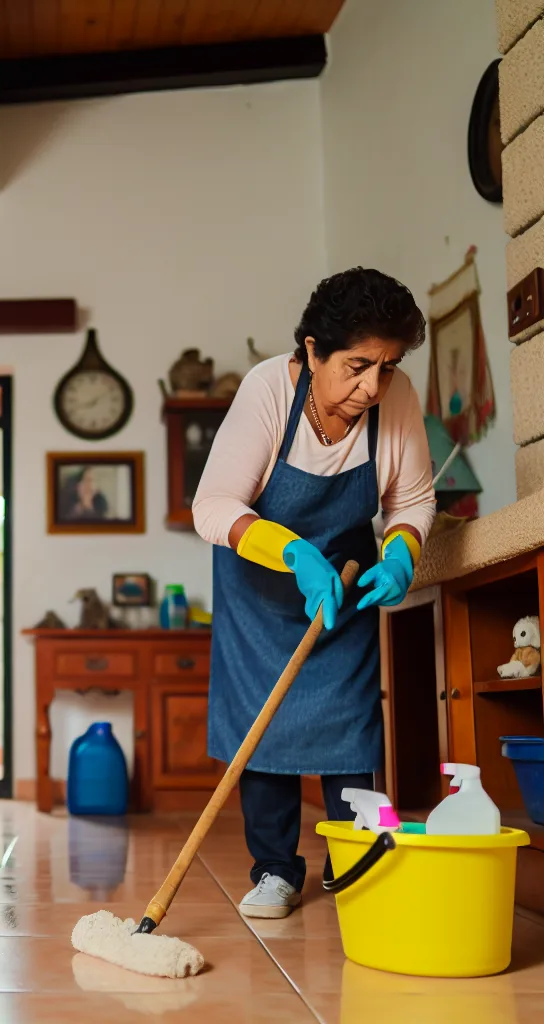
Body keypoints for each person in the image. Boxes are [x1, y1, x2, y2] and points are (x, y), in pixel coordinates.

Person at [192, 268, 435, 919]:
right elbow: (212, 506)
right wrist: (294, 552)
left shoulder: (397, 398)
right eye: (357, 366)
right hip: (259, 598)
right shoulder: (268, 390)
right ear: (311, 350)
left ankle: (360, 863)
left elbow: (410, 499)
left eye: (387, 366)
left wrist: (403, 552)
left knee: (354, 733)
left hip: (346, 592)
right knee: (264, 735)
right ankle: (275, 871)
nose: (371, 386)